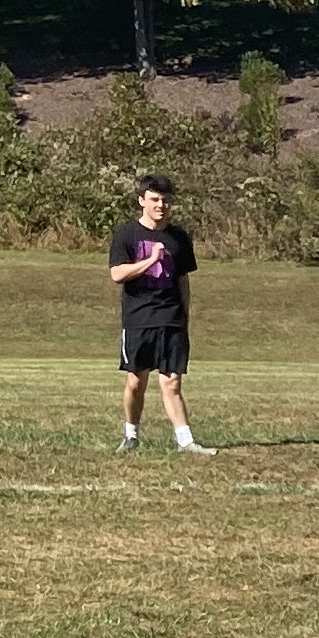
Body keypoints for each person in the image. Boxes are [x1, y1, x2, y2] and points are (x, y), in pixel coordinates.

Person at [110, 177, 212, 455]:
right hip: (138, 317)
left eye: (165, 200)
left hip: (172, 317)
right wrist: (150, 261)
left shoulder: (179, 238)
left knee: (172, 381)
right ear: (142, 200)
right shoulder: (126, 234)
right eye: (154, 199)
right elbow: (117, 274)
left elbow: (183, 281)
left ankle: (185, 441)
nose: (161, 205)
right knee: (135, 381)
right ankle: (130, 435)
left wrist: (186, 315)